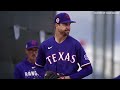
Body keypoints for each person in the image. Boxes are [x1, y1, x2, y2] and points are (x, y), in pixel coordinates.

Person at [35, 12, 93, 79]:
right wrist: (45, 75)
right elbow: (38, 67)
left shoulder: (75, 44)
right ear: (57, 25)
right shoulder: (45, 45)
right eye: (65, 24)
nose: (68, 27)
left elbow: (88, 69)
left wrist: (69, 77)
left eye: (69, 24)